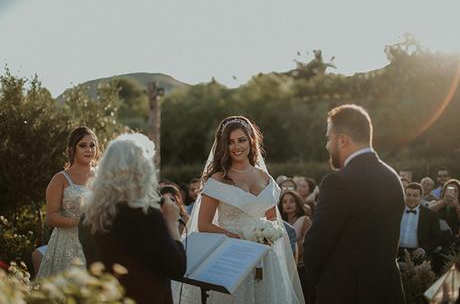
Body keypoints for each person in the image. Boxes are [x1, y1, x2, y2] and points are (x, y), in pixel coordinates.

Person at [178, 116, 304, 304]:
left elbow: (272, 218)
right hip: (232, 256)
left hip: (265, 258)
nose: (237, 147)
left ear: (251, 141)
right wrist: (235, 237)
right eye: (231, 142)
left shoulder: (264, 177)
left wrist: (267, 234)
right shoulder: (218, 180)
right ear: (224, 146)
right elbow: (203, 224)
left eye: (242, 140)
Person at [303, 104, 405, 304]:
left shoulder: (338, 182)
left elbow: (315, 246)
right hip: (387, 292)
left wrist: (321, 283)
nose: (326, 146)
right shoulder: (392, 177)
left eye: (328, 138)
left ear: (342, 140)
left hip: (346, 293)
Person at [80, 133, 186, 304]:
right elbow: (177, 268)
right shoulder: (147, 217)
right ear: (141, 170)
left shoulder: (90, 215)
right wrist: (172, 223)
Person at [36, 126, 99, 279]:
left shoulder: (103, 176)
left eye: (92, 145)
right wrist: (79, 222)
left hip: (97, 243)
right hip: (67, 245)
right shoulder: (60, 179)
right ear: (72, 149)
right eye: (82, 145)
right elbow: (51, 217)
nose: (88, 149)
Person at [398, 183, 441, 264]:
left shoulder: (430, 215)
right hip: (396, 251)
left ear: (421, 197)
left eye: (415, 195)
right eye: (408, 195)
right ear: (404, 195)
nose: (411, 198)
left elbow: (437, 237)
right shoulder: (396, 212)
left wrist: (424, 249)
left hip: (418, 252)